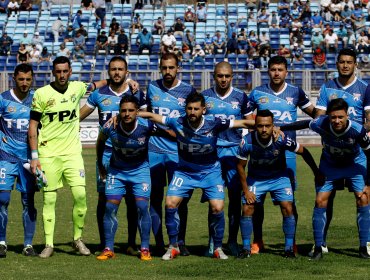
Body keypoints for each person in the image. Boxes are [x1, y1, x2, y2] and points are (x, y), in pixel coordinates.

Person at [139, 92, 255, 260]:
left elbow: (243, 121)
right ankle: (173, 246)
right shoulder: (177, 121)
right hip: (185, 172)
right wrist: (128, 114)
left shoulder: (214, 123)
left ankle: (217, 248)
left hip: (210, 172)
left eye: (196, 109)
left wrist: (267, 125)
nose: (192, 112)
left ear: (203, 109)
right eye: (189, 108)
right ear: (185, 109)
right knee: (170, 204)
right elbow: (151, 115)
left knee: (217, 207)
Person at [27, 56, 108, 258]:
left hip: (73, 153)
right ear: (53, 72)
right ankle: (49, 244)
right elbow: (33, 126)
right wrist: (35, 157)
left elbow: (99, 83)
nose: (62, 75)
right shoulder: (41, 94)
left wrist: (126, 81)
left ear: (70, 71)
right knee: (50, 199)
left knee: (81, 195)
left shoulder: (78, 87)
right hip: (48, 154)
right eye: (58, 71)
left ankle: (77, 239)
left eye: (65, 71)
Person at [246, 55, 317, 255]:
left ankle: (290, 242)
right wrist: (267, 128)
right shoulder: (257, 93)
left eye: (280, 69)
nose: (276, 73)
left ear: (286, 72)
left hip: (287, 155)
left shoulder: (295, 92)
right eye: (273, 69)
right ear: (268, 71)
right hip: (260, 153)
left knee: (288, 202)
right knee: (256, 202)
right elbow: (249, 119)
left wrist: (326, 121)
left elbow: (315, 114)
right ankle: (257, 241)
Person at [283, 98, 370, 260]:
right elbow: (301, 124)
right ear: (328, 116)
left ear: (347, 116)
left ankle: (364, 246)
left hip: (354, 164)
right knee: (320, 201)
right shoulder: (320, 123)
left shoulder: (358, 130)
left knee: (363, 198)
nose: (337, 120)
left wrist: (369, 184)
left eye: (340, 117)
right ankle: (318, 247)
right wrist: (279, 128)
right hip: (330, 164)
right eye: (333, 117)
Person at [79, 56, 145, 255]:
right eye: (113, 69)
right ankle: (104, 242)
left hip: (132, 154)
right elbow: (77, 117)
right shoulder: (99, 94)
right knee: (104, 199)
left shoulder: (136, 93)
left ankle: (132, 243)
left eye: (120, 69)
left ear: (127, 72)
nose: (117, 72)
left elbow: (144, 120)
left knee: (133, 200)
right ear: (108, 72)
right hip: (106, 154)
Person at [237, 109, 321, 258]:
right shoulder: (247, 141)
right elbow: (240, 166)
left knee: (288, 207)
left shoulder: (281, 139)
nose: (264, 129)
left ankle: (289, 248)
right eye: (260, 126)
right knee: (247, 207)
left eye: (268, 126)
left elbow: (304, 151)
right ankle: (245, 248)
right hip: (257, 178)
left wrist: (316, 172)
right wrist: (246, 190)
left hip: (279, 178)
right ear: (255, 126)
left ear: (273, 126)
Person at [311, 48, 370, 256]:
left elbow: (369, 120)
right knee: (323, 199)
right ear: (336, 64)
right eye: (342, 62)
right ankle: (320, 244)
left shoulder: (364, 88)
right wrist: (332, 130)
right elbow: (318, 117)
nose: (345, 65)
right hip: (331, 157)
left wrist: (351, 132)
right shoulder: (327, 87)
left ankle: (365, 246)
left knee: (363, 197)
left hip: (355, 156)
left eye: (349, 62)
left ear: (355, 65)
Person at [145, 53, 197, 256]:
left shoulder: (188, 90)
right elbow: (147, 115)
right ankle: (158, 242)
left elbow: (192, 121)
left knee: (179, 199)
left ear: (178, 68)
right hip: (154, 151)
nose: (167, 72)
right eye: (164, 68)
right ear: (160, 68)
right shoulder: (152, 87)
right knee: (155, 198)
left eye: (171, 68)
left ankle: (179, 241)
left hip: (178, 152)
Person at [94, 94, 154, 261]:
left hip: (140, 171)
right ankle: (108, 248)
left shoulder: (147, 125)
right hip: (117, 171)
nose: (127, 114)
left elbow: (168, 132)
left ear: (137, 112)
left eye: (131, 110)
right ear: (119, 112)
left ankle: (144, 248)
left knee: (142, 207)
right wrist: (100, 165)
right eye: (123, 111)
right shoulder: (110, 126)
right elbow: (100, 142)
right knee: (110, 208)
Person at [201, 62, 251, 256]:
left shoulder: (241, 96)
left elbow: (250, 121)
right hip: (211, 154)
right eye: (220, 76)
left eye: (227, 76)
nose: (223, 79)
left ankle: (231, 241)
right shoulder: (205, 97)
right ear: (214, 76)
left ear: (232, 77)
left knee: (234, 199)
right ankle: (213, 242)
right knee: (214, 201)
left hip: (233, 153)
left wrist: (244, 143)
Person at [0, 64, 38, 258]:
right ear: (14, 78)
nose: (24, 83)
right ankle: (1, 242)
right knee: (2, 199)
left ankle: (28, 245)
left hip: (28, 159)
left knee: (28, 201)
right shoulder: (3, 99)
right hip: (5, 156)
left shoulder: (37, 100)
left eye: (28, 79)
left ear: (32, 79)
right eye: (21, 79)